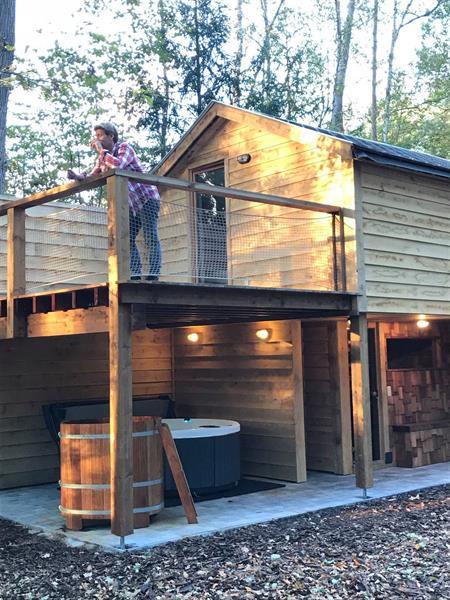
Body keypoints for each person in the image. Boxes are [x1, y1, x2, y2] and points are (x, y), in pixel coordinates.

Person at [67, 122, 161, 281]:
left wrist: (100, 150)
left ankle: (154, 275)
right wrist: (78, 177)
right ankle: (135, 274)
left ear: (111, 136)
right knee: (127, 238)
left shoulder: (124, 148)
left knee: (150, 234)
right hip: (132, 204)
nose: (97, 139)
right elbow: (93, 175)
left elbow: (118, 165)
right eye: (96, 136)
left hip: (147, 198)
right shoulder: (103, 157)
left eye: (100, 135)